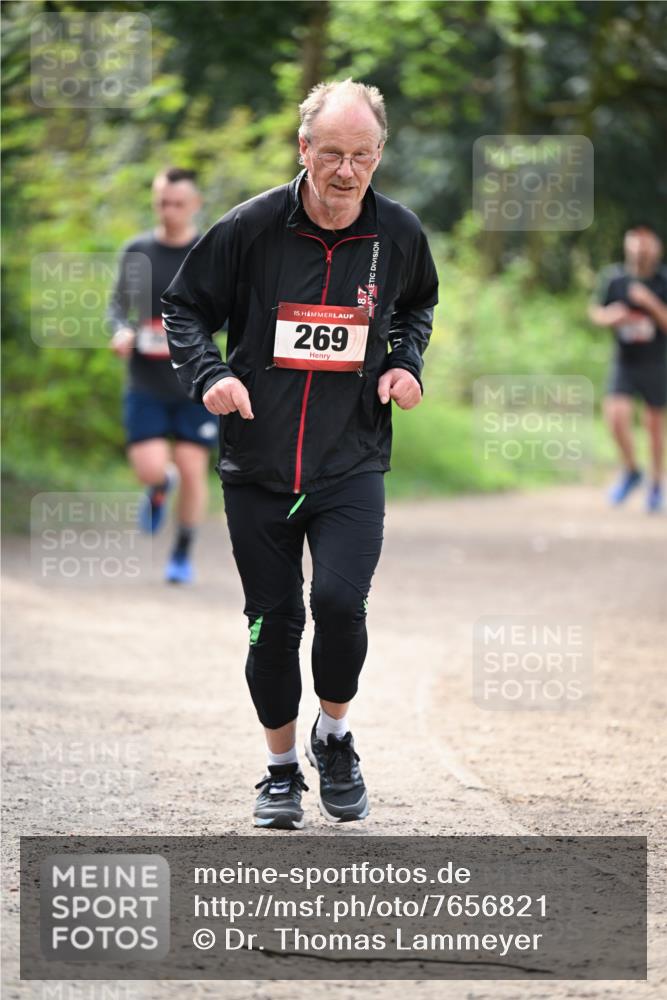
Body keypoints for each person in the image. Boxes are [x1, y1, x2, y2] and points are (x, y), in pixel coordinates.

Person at [162, 79, 439, 829]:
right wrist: (211, 375)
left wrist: (405, 363)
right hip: (258, 463)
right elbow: (183, 307)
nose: (345, 172)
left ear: (379, 154)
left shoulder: (400, 234)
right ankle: (280, 770)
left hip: (349, 458)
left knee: (340, 604)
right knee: (273, 621)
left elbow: (416, 304)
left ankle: (335, 736)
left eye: (361, 156)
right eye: (331, 154)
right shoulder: (249, 228)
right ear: (303, 149)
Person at [108, 167, 218, 583]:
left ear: (195, 204)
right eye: (162, 203)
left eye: (178, 203)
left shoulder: (208, 252)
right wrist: (121, 330)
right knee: (151, 468)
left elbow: (229, 312)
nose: (169, 211)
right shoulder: (137, 251)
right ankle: (158, 486)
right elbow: (117, 307)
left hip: (195, 384)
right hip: (146, 383)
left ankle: (182, 553)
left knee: (193, 468)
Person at [589, 226, 667, 513]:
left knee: (654, 427)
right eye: (634, 248)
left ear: (655, 250)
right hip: (624, 360)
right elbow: (596, 311)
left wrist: (650, 302)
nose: (639, 253)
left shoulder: (662, 281)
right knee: (615, 417)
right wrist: (611, 317)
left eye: (644, 248)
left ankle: (657, 485)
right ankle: (633, 471)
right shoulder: (615, 279)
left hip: (656, 361)